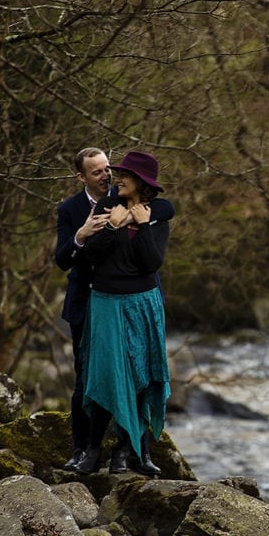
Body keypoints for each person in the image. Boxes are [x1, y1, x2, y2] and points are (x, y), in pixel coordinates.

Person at [54, 147, 173, 472]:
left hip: (140, 301)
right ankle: (87, 450)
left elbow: (151, 258)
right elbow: (79, 256)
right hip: (99, 300)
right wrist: (103, 229)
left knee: (141, 374)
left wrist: (144, 223)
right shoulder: (97, 208)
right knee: (95, 376)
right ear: (82, 177)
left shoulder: (155, 212)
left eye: (116, 171)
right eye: (101, 172)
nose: (111, 176)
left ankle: (131, 451)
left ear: (140, 182)